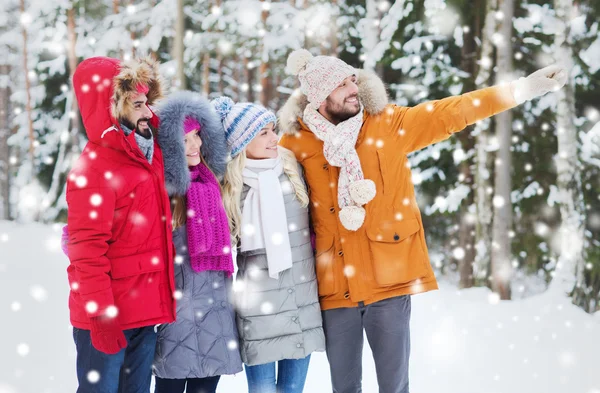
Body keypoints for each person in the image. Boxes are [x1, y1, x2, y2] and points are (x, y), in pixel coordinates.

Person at [278, 49, 567, 393]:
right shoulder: (295, 142)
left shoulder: (388, 124)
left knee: (395, 386)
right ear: (320, 95)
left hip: (387, 281)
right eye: (341, 85)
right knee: (343, 387)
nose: (352, 88)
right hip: (334, 287)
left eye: (352, 79)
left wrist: (520, 90)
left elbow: (454, 110)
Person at [65, 56, 175, 393]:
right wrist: (100, 315)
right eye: (137, 103)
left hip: (142, 314)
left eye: (147, 102)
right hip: (108, 317)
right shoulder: (94, 169)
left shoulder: (146, 154)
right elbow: (86, 251)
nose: (147, 112)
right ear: (111, 107)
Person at [214, 96, 325, 393]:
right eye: (263, 133)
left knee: (291, 390)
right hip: (258, 309)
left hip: (300, 300)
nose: (274, 138)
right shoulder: (230, 187)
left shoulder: (292, 169)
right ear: (241, 142)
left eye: (272, 129)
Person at [151, 91, 243, 393]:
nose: (196, 145)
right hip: (177, 315)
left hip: (215, 313)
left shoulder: (211, 184)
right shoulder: (162, 192)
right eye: (186, 138)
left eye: (198, 136)